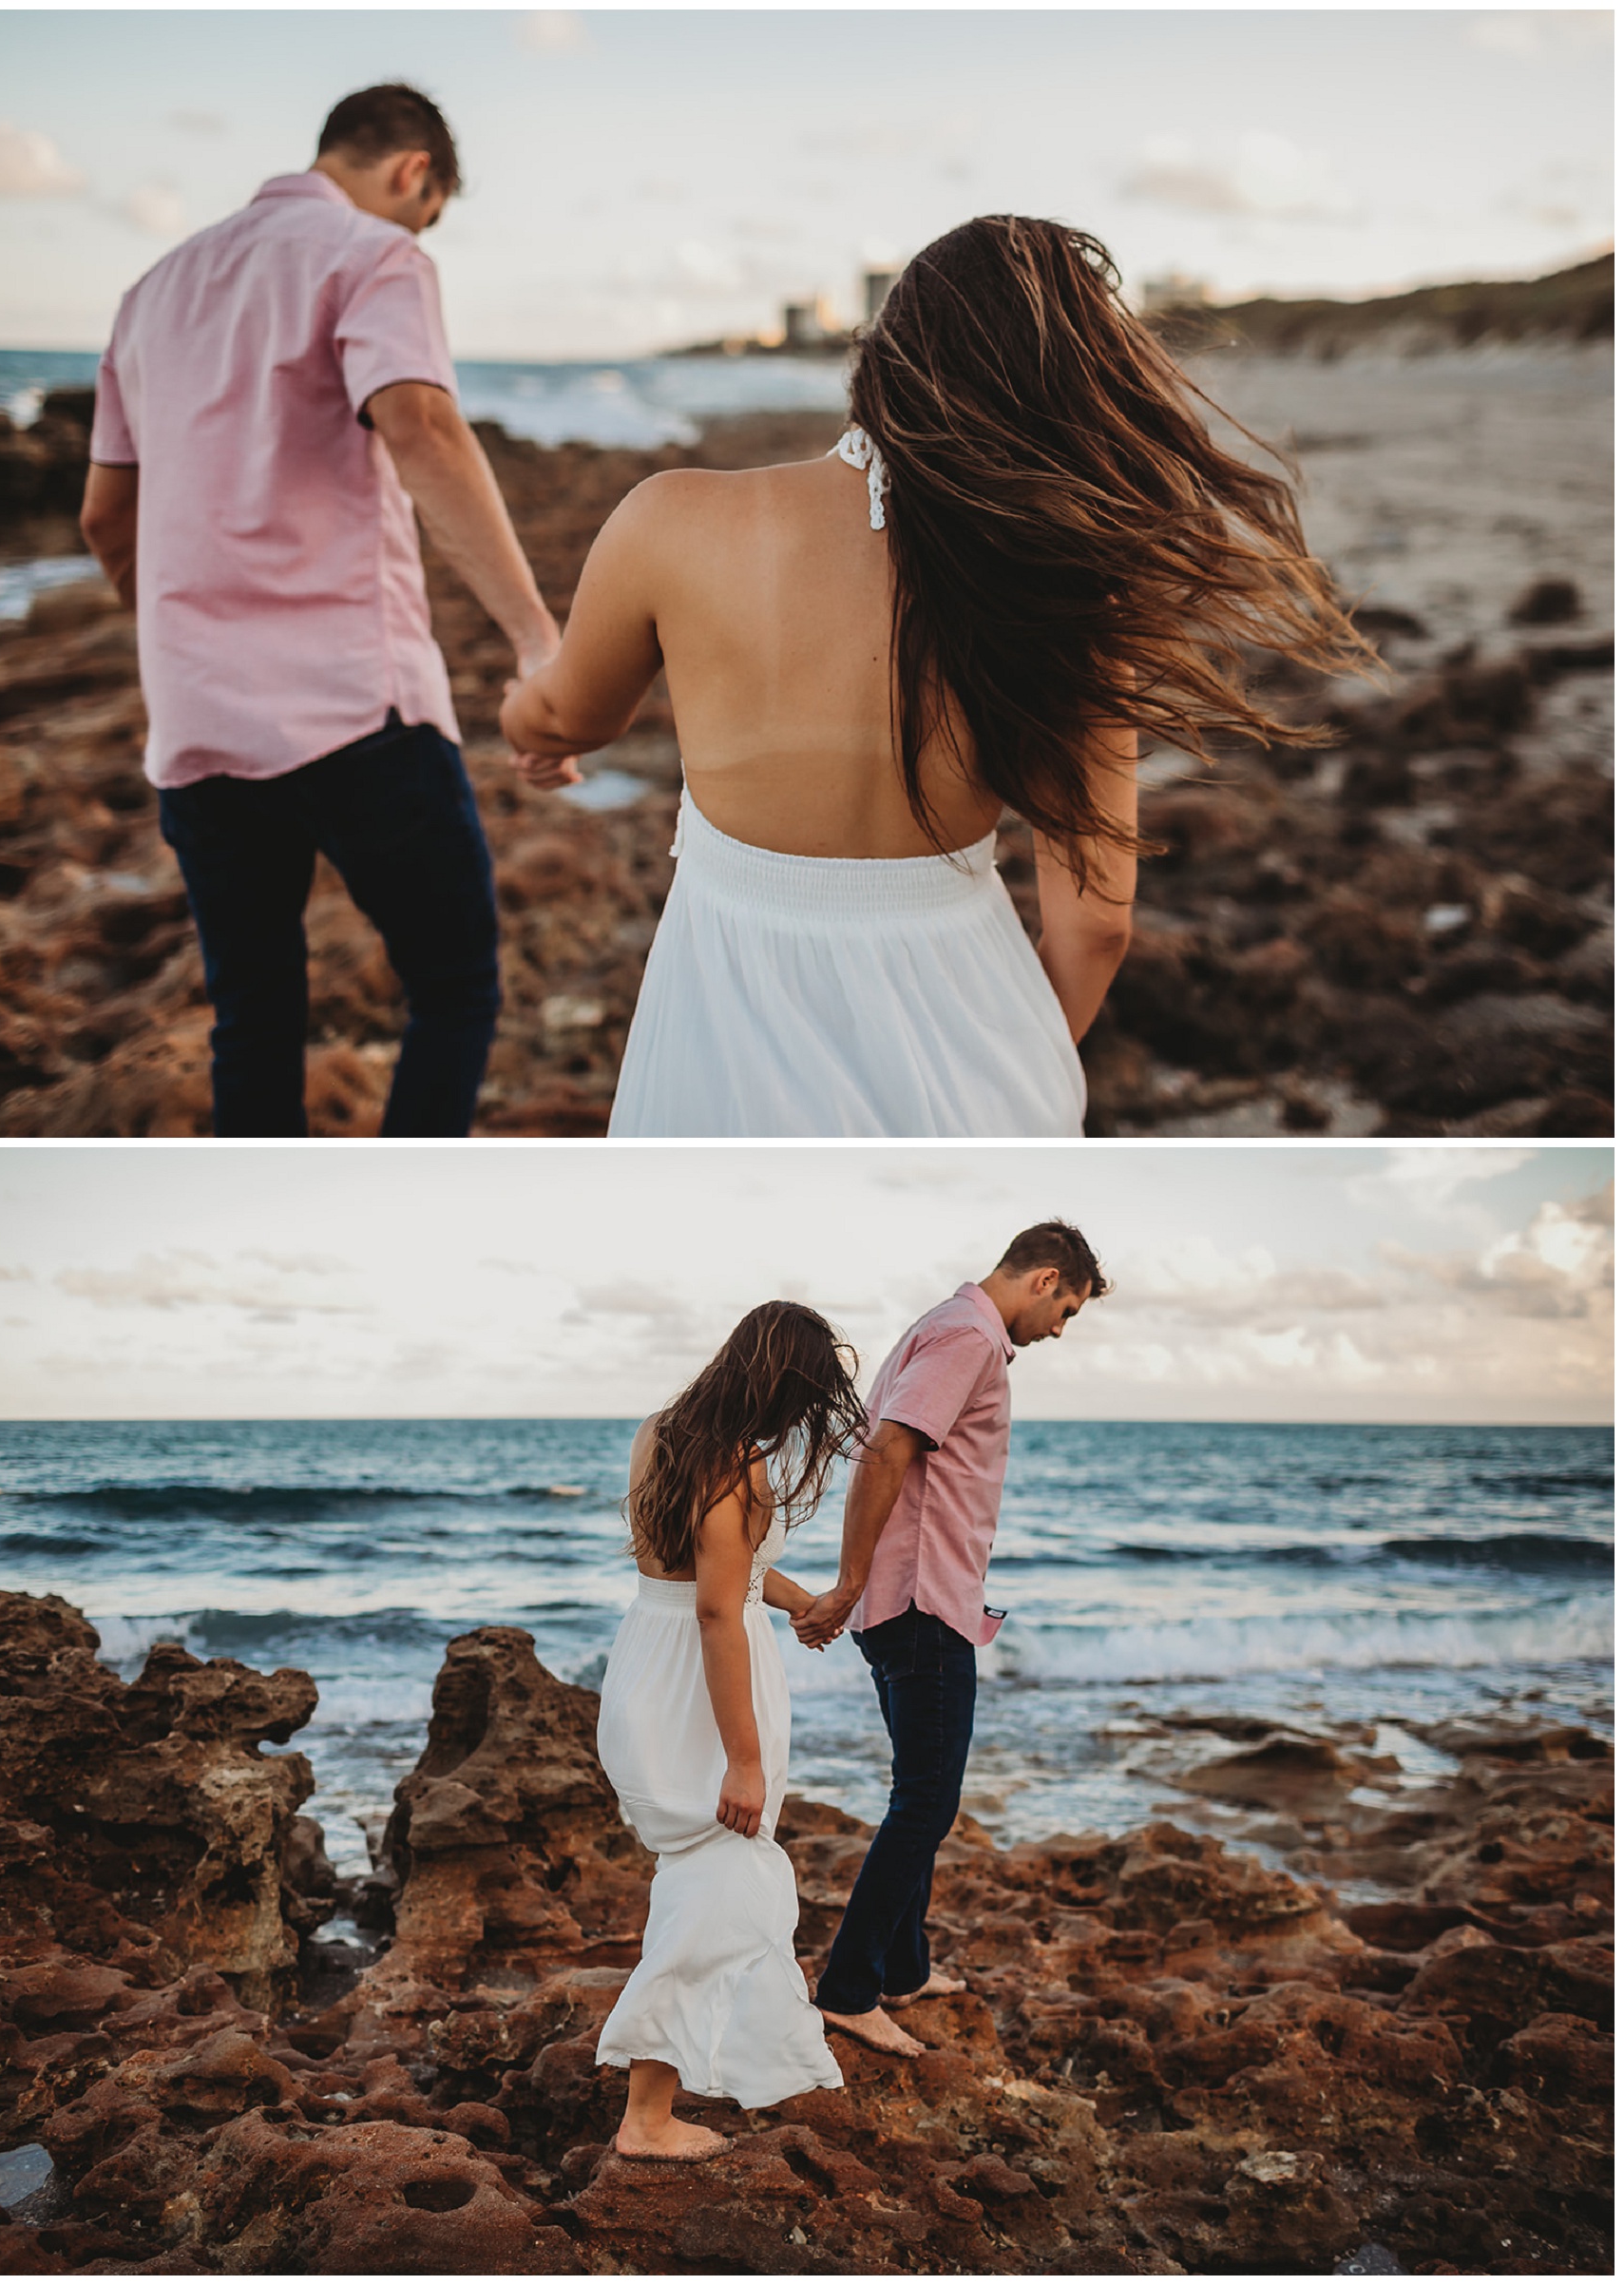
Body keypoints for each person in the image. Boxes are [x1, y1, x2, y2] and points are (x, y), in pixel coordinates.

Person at [501, 214, 1375, 1140]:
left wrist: (526, 708)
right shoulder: (1066, 599)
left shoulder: (669, 520)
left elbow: (566, 715)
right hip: (982, 1050)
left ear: (885, 356)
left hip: (724, 1041)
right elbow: (1096, 931)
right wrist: (1020, 1061)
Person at [81, 84, 563, 1138]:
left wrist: (181, 637)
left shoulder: (149, 292)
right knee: (455, 990)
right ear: (412, 174)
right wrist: (537, 640)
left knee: (252, 1026)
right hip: (356, 713)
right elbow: (422, 427)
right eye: (426, 215)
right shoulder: (373, 256)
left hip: (200, 728)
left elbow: (104, 517)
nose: (418, 234)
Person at [791, 1220, 1109, 2057]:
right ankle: (850, 1989)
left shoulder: (942, 1325)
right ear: (1044, 1280)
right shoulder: (969, 1335)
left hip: (918, 1600)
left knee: (920, 1798)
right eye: (1068, 1310)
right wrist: (852, 1580)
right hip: (922, 1602)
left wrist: (860, 1585)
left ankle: (902, 1969)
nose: (1060, 1330)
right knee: (926, 1802)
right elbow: (889, 1447)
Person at [594, 1301, 867, 2160]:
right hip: (698, 1690)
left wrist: (803, 1604)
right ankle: (645, 2116)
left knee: (708, 1876)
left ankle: (678, 2083)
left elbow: (718, 1574)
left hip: (650, 1666)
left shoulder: (664, 1433)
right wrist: (745, 1760)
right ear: (783, 1389)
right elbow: (716, 1608)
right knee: (717, 1876)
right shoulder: (735, 1466)